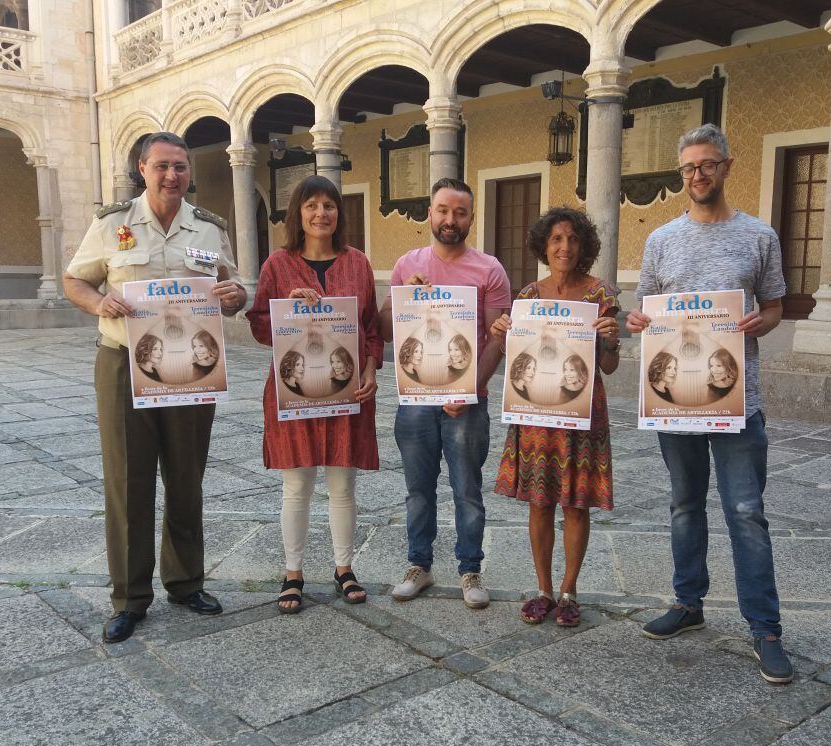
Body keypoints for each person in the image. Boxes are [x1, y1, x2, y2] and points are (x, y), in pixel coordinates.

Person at [63, 131, 246, 643]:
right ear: (142, 169)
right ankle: (129, 597)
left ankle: (186, 583)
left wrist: (234, 296)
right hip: (123, 364)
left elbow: (231, 290)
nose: (172, 175)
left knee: (186, 477)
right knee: (128, 481)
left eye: (181, 167)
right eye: (162, 165)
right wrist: (99, 303)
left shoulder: (208, 230)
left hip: (192, 369)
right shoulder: (112, 224)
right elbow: (75, 280)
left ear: (190, 173)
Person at [626, 123, 792, 684]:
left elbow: (774, 306)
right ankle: (688, 602)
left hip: (737, 400)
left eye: (707, 165)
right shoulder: (661, 240)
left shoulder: (759, 236)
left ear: (726, 166)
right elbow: (644, 311)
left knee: (745, 512)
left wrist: (758, 322)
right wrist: (638, 321)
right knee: (683, 503)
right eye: (689, 168)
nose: (698, 175)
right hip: (675, 402)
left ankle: (765, 628)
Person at [247, 174, 382, 613]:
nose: (321, 214)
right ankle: (293, 572)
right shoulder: (277, 265)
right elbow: (261, 328)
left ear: (338, 213)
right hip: (296, 391)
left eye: (329, 205)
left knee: (343, 486)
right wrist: (286, 305)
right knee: (297, 486)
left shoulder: (358, 262)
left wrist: (369, 368)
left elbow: (371, 328)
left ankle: (344, 567)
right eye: (311, 206)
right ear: (298, 215)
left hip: (347, 391)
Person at [379, 178, 511, 609]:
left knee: (467, 489)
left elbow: (496, 339)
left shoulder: (489, 269)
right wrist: (403, 297)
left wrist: (470, 390)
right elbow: (383, 329)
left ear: (471, 217)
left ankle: (470, 568)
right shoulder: (407, 263)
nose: (450, 220)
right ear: (429, 213)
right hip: (416, 398)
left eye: (459, 212)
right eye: (442, 210)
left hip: (466, 402)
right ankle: (419, 564)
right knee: (418, 489)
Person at [491, 207, 620, 627]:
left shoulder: (600, 296)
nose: (564, 247)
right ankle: (543, 588)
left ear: (584, 246)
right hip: (536, 415)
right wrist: (503, 335)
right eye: (556, 240)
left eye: (572, 239)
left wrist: (612, 343)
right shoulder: (528, 297)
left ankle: (569, 590)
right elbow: (520, 363)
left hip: (582, 414)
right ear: (544, 246)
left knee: (576, 505)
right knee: (539, 502)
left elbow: (610, 366)